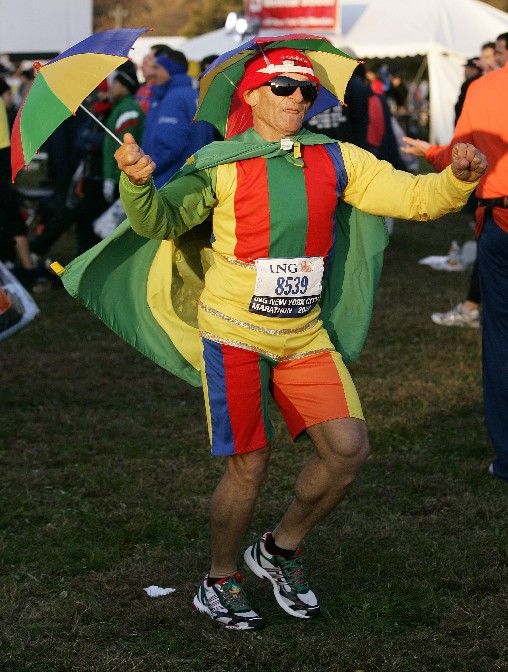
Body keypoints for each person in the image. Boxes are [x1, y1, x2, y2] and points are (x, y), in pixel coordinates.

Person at [108, 46, 485, 630]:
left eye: (306, 91)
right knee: (249, 466)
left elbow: (413, 199)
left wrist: (456, 180)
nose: (297, 99)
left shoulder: (337, 158)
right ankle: (220, 578)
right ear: (252, 95)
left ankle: (279, 550)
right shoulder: (219, 162)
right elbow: (159, 221)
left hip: (303, 335)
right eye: (282, 87)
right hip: (233, 332)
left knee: (347, 450)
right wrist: (137, 184)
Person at [402, 32, 508, 484]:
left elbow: (461, 157)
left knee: (501, 343)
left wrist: (427, 151)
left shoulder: (487, 88)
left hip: (500, 223)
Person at [141, 50, 213, 188]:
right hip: (194, 178)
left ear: (169, 70)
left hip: (171, 180)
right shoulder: (193, 94)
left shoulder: (174, 98)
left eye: (157, 68)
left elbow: (169, 145)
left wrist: (146, 169)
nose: (152, 73)